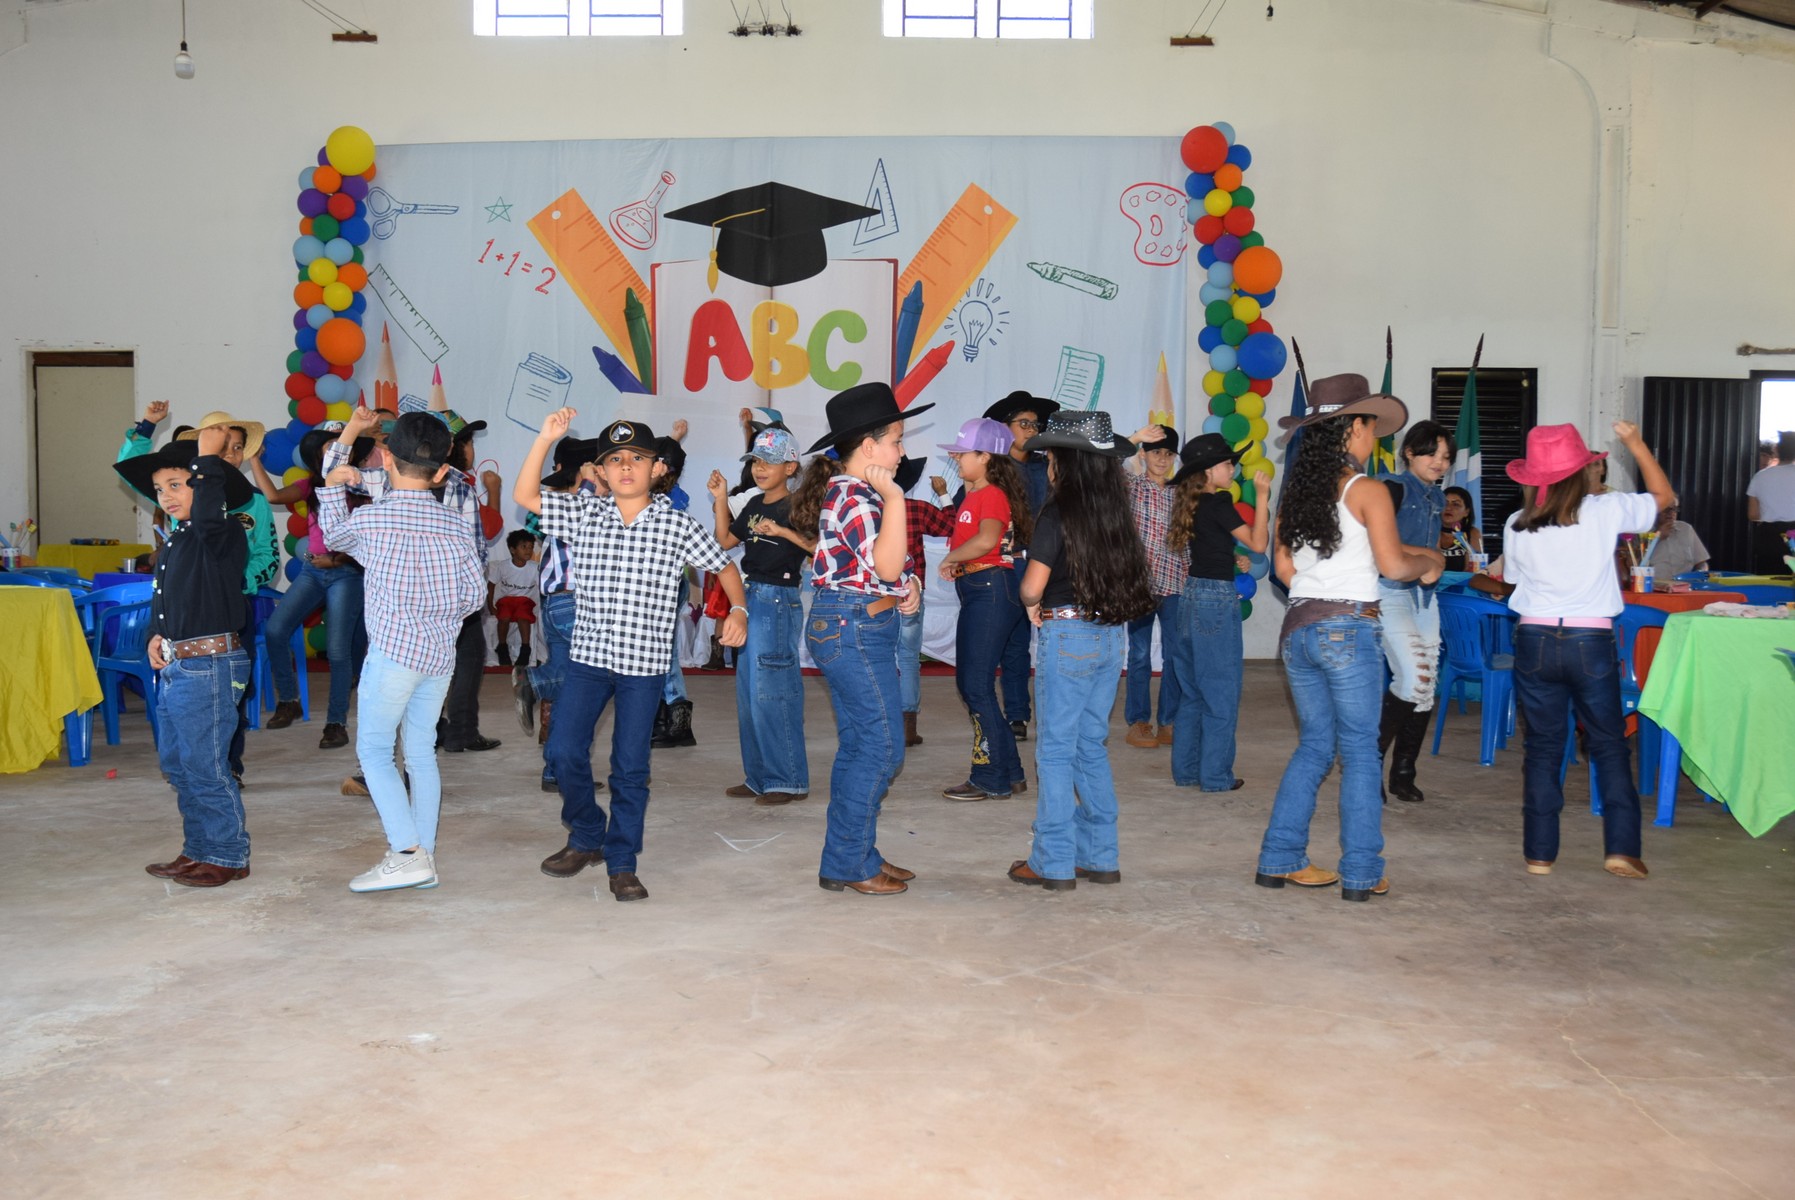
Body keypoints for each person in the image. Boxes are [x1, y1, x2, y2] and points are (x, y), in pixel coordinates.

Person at [523, 411, 747, 902]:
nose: (626, 467)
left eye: (637, 459)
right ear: (600, 472)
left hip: (643, 669)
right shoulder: (585, 513)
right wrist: (545, 439)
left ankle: (621, 860)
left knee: (629, 767)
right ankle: (586, 834)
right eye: (615, 459)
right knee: (562, 752)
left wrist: (741, 612)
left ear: (658, 468)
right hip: (588, 660)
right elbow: (525, 497)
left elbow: (726, 568)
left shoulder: (676, 525)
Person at [1254, 376, 1443, 902]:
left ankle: (1279, 857)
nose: (1374, 438)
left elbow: (1285, 571)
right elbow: (1393, 565)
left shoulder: (1297, 497)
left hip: (1298, 630)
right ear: (1353, 428)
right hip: (1350, 628)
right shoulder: (1368, 491)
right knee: (1360, 752)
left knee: (1315, 745)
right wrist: (1430, 560)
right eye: (1371, 428)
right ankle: (1361, 871)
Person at [316, 410, 485, 892]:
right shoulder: (455, 524)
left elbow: (332, 535)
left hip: (392, 654)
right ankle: (424, 856)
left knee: (373, 750)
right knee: (420, 755)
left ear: (386, 458)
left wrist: (333, 486)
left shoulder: (371, 519)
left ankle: (406, 852)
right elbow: (474, 596)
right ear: (441, 471)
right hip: (438, 657)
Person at [1503, 422, 1674, 880]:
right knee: (1608, 745)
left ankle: (1539, 854)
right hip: (1589, 640)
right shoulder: (1605, 510)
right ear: (1584, 471)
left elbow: (1514, 580)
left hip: (1535, 638)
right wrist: (1636, 444)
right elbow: (1664, 499)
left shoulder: (1517, 523)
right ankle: (1621, 849)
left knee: (1542, 747)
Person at [1007, 411, 1157, 891]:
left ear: (1065, 461)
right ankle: (1100, 856)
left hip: (1067, 637)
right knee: (1090, 746)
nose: (1048, 463)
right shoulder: (1115, 511)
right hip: (1110, 637)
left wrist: (1031, 602)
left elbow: (1033, 588)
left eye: (1051, 454)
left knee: (1054, 751)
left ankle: (1052, 861)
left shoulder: (1058, 511)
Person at [790, 382, 929, 896]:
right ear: (869, 447)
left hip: (856, 623)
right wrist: (895, 496)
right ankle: (851, 859)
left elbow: (893, 569)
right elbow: (887, 562)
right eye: (896, 439)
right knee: (882, 748)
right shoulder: (858, 495)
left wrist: (908, 587)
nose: (902, 450)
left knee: (862, 745)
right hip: (853, 628)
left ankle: (850, 855)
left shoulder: (859, 495)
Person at [119, 426, 256, 888]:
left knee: (205, 765)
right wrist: (158, 634)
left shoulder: (220, 533)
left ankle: (228, 854)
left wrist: (207, 461)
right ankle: (199, 848)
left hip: (210, 667)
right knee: (179, 764)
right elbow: (172, 597)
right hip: (181, 663)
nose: (167, 495)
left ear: (205, 484)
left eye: (178, 485)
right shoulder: (177, 540)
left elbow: (210, 513)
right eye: (161, 489)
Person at [121, 405, 278, 785]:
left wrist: (234, 581)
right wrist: (146, 427)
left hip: (226, 609)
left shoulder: (249, 502)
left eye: (236, 447)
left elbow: (268, 555)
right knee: (189, 730)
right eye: (220, 446)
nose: (229, 454)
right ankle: (207, 774)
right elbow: (136, 467)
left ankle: (229, 765)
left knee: (227, 702)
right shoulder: (184, 507)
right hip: (186, 625)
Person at [707, 425, 813, 806]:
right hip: (750, 598)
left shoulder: (799, 505)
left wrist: (784, 532)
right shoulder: (752, 504)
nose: (760, 468)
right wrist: (720, 498)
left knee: (774, 692)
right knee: (750, 694)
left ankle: (788, 780)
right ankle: (759, 777)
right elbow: (724, 543)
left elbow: (818, 550)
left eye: (769, 461)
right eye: (755, 461)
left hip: (779, 600)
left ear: (790, 466)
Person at [252, 427, 372, 751]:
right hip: (312, 571)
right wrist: (253, 461)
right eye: (330, 447)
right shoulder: (310, 486)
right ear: (319, 456)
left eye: (341, 447)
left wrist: (336, 560)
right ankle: (289, 700)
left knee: (337, 650)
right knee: (276, 629)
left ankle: (336, 723)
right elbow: (275, 496)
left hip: (346, 574)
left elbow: (371, 539)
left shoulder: (363, 488)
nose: (336, 452)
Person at [1165, 433, 1270, 792]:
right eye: (1228, 463)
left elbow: (1211, 546)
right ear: (1209, 471)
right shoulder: (1220, 502)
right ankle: (1215, 776)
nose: (1233, 467)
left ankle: (1187, 771)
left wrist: (1232, 557)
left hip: (1191, 595)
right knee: (1221, 691)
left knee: (1193, 690)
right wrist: (1264, 497)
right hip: (1215, 600)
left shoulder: (1193, 503)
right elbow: (1258, 543)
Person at [936, 417, 1033, 802]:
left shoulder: (991, 494)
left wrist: (950, 559)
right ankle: (1010, 772)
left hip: (989, 587)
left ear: (987, 457)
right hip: (985, 588)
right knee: (976, 685)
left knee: (974, 685)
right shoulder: (976, 494)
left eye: (964, 452)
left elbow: (988, 539)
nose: (957, 457)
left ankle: (989, 776)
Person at [512, 433, 602, 793]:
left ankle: (557, 770)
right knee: (592, 683)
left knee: (569, 695)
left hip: (557, 605)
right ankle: (532, 682)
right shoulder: (576, 506)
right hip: (574, 603)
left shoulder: (558, 504)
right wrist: (590, 485)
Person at [1376, 421, 1455, 804]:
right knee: (1412, 676)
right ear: (1409, 452)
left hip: (1425, 598)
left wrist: (1431, 558)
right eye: (1431, 454)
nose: (1439, 463)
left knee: (1426, 687)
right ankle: (1367, 766)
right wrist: (1430, 556)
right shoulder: (1390, 488)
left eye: (1446, 457)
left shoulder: (1438, 498)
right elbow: (1379, 543)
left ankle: (1404, 771)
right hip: (1390, 592)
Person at [980, 391, 1059, 741]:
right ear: (1004, 428)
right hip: (1007, 563)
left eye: (1035, 424)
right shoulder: (991, 468)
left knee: (1054, 641)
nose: (1031, 429)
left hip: (1048, 562)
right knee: (1013, 644)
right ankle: (1017, 715)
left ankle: (1055, 713)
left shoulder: (1048, 466)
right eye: (1023, 423)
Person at [1123, 422, 1185, 750]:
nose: (1162, 459)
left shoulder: (1182, 493)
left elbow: (1189, 541)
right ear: (1143, 455)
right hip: (1141, 586)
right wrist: (1134, 440)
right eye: (1155, 452)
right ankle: (1138, 721)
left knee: (1175, 654)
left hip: (1176, 583)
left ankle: (1168, 721)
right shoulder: (1132, 486)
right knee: (1140, 654)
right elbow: (1110, 464)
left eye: (1168, 453)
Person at [896, 458, 955, 746]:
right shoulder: (916, 509)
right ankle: (907, 727)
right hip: (911, 592)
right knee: (908, 659)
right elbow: (951, 526)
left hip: (873, 595)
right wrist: (943, 493)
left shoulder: (870, 509)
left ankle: (882, 724)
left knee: (876, 660)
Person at [650, 421, 699, 749]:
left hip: (663, 583)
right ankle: (666, 719)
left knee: (662, 652)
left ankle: (675, 723)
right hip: (669, 582)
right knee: (659, 651)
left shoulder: (664, 500)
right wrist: (676, 438)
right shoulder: (677, 496)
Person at [489, 530, 540, 668]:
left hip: (525, 601)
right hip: (506, 600)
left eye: (531, 547)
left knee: (523, 616)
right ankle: (502, 647)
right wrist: (491, 606)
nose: (528, 551)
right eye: (524, 547)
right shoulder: (502, 566)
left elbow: (542, 588)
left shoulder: (535, 568)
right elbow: (491, 584)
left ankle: (525, 649)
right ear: (512, 550)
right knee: (503, 617)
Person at [1746, 431, 1795, 574]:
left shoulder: (1760, 476)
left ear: (1777, 450)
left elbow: (1753, 515)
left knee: (1770, 582)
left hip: (1769, 537)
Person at [1647, 502, 1710, 578]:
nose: (1671, 513)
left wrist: (1700, 573)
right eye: (1666, 509)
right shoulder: (1643, 532)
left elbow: (1701, 563)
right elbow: (1636, 564)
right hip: (1651, 586)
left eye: (1674, 509)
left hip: (1685, 585)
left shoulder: (1686, 529)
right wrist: (1657, 537)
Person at [1439, 486, 1482, 571]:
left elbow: (1475, 569)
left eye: (1456, 504)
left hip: (1462, 582)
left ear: (1466, 512)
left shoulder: (1472, 533)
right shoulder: (1429, 531)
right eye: (1445, 503)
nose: (1448, 508)